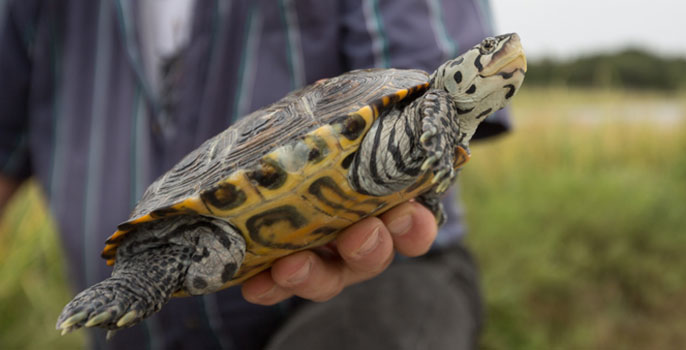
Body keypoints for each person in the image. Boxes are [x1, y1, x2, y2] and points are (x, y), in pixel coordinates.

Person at [0, 1, 509, 349]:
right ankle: (139, 280)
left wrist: (434, 130)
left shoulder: (428, 111)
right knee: (175, 258)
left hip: (387, 274)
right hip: (207, 237)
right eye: (488, 56)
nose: (502, 57)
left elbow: (426, 84)